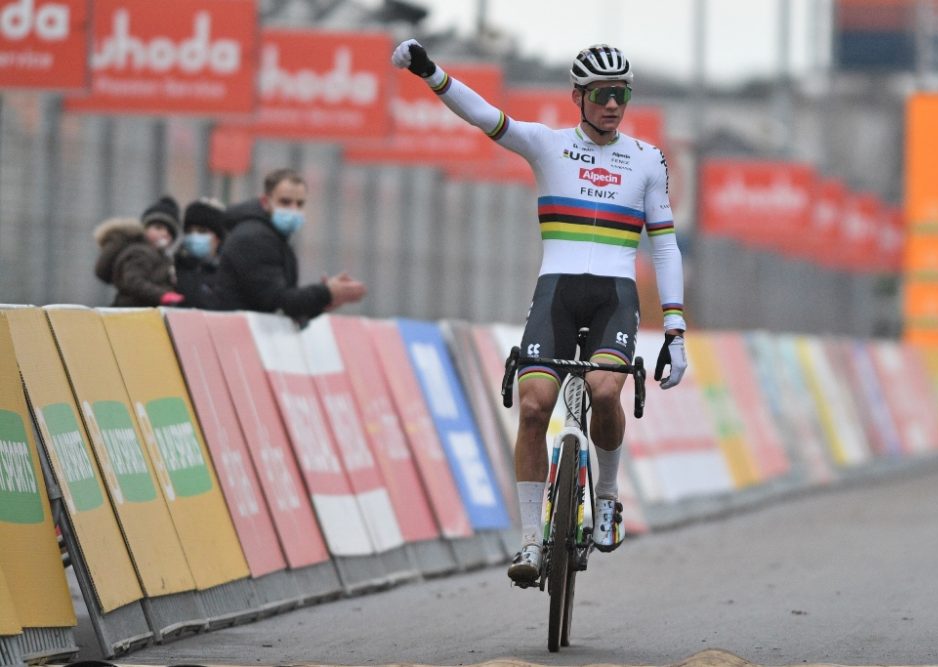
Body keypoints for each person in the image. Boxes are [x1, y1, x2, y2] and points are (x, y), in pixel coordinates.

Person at [392, 40, 689, 583]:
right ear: (578, 96)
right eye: (602, 94)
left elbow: (665, 245)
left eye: (622, 94)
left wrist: (674, 327)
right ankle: (530, 541)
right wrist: (429, 72)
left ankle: (606, 496)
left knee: (603, 390)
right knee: (533, 408)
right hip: (556, 293)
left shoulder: (648, 159)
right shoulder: (548, 146)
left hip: (614, 300)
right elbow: (484, 116)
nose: (613, 105)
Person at [212, 168, 367, 324]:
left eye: (300, 204)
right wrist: (326, 292)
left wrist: (324, 300)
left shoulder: (275, 238)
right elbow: (279, 301)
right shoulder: (255, 238)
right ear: (266, 202)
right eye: (285, 202)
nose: (294, 210)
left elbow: (283, 309)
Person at [93, 195, 185, 307]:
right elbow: (133, 281)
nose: (164, 234)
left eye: (170, 232)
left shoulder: (164, 258)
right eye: (158, 227)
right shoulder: (139, 252)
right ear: (144, 229)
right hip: (130, 312)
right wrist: (162, 295)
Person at [175, 197, 226, 309]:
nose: (194, 236)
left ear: (217, 238)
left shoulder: (227, 273)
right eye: (189, 231)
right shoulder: (174, 267)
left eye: (202, 231)